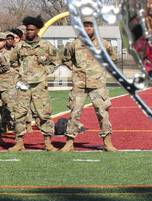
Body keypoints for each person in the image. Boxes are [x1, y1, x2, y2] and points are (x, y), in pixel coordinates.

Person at [62, 18, 117, 151]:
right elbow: (66, 58)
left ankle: (107, 141)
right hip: (79, 84)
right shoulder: (74, 44)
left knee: (102, 113)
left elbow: (112, 58)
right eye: (85, 26)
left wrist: (101, 69)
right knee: (75, 112)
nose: (88, 29)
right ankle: (69, 142)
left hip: (98, 84)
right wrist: (75, 70)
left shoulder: (104, 44)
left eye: (90, 26)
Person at [9, 16, 59, 151]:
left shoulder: (46, 46)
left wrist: (45, 71)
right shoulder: (19, 46)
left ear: (37, 30)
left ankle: (48, 142)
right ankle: (19, 142)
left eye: (31, 29)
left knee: (43, 113)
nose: (29, 32)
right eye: (27, 29)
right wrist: (19, 73)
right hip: (23, 85)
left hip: (39, 85)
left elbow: (56, 61)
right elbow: (12, 62)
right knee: (19, 113)